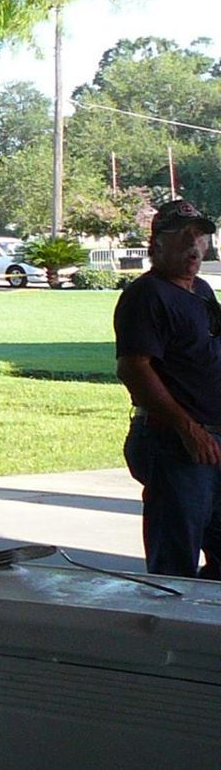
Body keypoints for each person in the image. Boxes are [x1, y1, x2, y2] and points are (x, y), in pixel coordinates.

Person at [115, 197, 221, 578]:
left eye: (200, 236)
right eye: (182, 236)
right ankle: (167, 633)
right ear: (156, 243)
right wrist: (186, 428)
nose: (194, 245)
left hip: (211, 443)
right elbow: (134, 368)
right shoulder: (147, 296)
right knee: (174, 559)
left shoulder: (202, 292)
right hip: (174, 444)